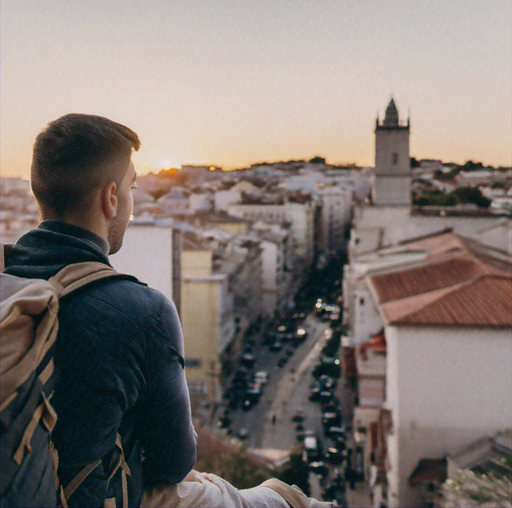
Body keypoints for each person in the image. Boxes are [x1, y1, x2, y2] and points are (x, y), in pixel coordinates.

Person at [4, 114, 335, 508]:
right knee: (252, 498)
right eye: (132, 187)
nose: (130, 204)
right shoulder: (142, 312)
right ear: (111, 198)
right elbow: (174, 462)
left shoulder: (9, 288)